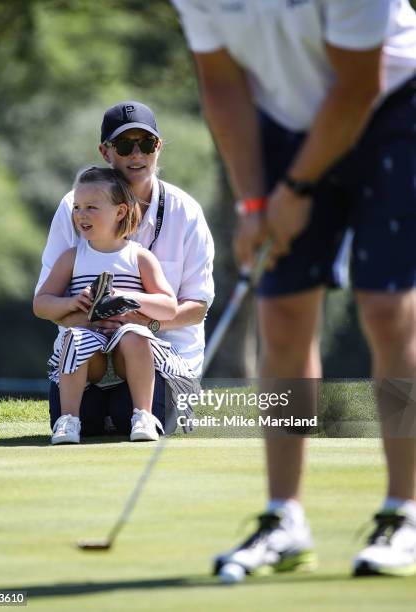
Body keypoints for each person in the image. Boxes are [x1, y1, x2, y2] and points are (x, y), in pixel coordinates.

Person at [172, 0, 416, 578]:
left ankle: (404, 512)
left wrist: (296, 190)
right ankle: (284, 518)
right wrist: (253, 203)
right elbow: (223, 85)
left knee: (386, 308)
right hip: (285, 121)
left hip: (394, 107)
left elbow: (358, 85)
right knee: (280, 316)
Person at [35, 101, 214, 438]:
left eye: (146, 144)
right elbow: (46, 301)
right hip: (87, 356)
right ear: (105, 151)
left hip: (166, 358)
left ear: (157, 148)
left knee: (126, 412)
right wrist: (92, 319)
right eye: (124, 145)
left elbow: (196, 308)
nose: (137, 154)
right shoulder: (73, 208)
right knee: (82, 422)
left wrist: (138, 319)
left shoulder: (186, 212)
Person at [33, 167, 190, 444]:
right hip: (89, 355)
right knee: (74, 338)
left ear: (119, 212)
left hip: (124, 356)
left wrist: (128, 299)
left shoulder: (139, 257)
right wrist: (71, 302)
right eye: (77, 207)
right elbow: (41, 304)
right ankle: (68, 420)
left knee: (136, 336)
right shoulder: (72, 257)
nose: (81, 214)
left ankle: (143, 415)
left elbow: (168, 307)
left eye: (91, 207)